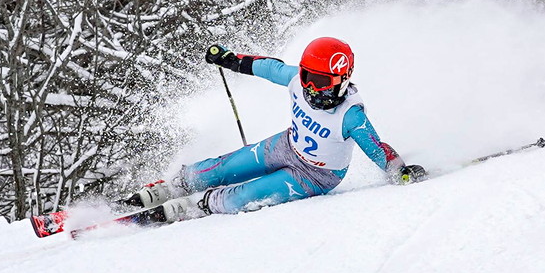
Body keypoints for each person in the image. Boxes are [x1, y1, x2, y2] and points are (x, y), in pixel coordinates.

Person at [133, 37, 426, 223]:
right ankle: (176, 185)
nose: (311, 87)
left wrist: (399, 169)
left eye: (321, 82)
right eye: (308, 76)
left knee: (242, 196)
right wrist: (230, 60)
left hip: (315, 176)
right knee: (223, 167)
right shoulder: (297, 81)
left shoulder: (350, 115)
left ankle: (194, 206)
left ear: (342, 79)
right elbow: (269, 68)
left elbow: (378, 148)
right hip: (286, 146)